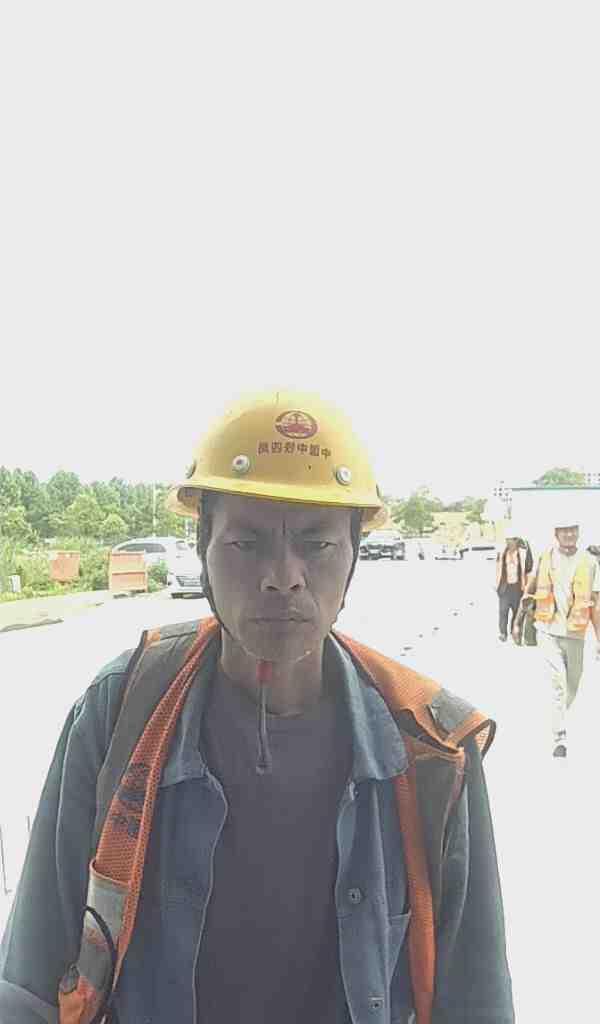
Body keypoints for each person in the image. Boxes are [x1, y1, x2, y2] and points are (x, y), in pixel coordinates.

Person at [0, 392, 514, 1024]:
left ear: (354, 558)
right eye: (247, 543)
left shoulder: (431, 746)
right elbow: (29, 978)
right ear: (203, 550)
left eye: (316, 545)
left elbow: (477, 997)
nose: (283, 576)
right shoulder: (121, 711)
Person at [513, 514, 600, 757]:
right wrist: (517, 622)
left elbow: (596, 603)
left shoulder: (590, 562)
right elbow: (528, 591)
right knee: (558, 684)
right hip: (547, 630)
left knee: (573, 685)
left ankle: (558, 716)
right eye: (564, 530)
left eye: (573, 530)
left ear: (578, 532)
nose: (569, 534)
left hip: (576, 634)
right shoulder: (545, 558)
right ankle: (559, 736)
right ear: (556, 534)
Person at [495, 530, 533, 642]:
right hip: (505, 587)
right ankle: (503, 633)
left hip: (518, 587)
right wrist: (496, 585)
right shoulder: (502, 552)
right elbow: (497, 568)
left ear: (516, 541)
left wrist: (527, 587)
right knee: (503, 611)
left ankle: (514, 631)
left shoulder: (523, 553)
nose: (509, 542)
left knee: (517, 611)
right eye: (507, 540)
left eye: (511, 540)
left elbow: (529, 569)